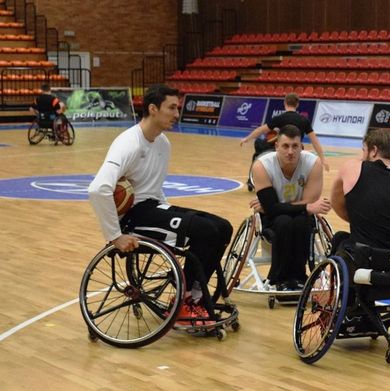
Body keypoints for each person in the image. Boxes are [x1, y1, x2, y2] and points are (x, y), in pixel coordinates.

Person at [88, 84, 233, 322]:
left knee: (222, 226)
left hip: (153, 208)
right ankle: (182, 301)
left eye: (178, 108)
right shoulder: (129, 143)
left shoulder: (163, 142)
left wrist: (175, 220)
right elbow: (98, 189)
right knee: (205, 231)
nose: (177, 114)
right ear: (153, 109)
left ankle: (194, 297)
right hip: (133, 218)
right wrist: (115, 235)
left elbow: (154, 189)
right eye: (172, 107)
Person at [249, 124, 331, 291]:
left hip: (300, 215)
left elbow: (274, 206)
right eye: (285, 146)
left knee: (300, 222)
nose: (290, 151)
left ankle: (299, 277)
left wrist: (275, 206)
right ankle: (279, 278)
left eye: (295, 146)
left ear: (302, 147)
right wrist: (304, 207)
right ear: (276, 146)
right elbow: (276, 210)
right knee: (284, 221)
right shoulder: (261, 166)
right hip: (273, 219)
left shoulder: (313, 163)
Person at [330, 128, 390, 257]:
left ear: (373, 151)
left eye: (364, 151)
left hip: (366, 258)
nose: (362, 156)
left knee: (339, 239)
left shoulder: (353, 167)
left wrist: (361, 220)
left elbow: (335, 201)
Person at [240, 92, 329, 172]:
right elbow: (315, 141)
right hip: (297, 150)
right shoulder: (304, 120)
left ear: (285, 103)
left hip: (282, 151)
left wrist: (247, 139)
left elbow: (260, 130)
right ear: (297, 105)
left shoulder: (279, 118)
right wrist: (323, 159)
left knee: (259, 143)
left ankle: (253, 177)